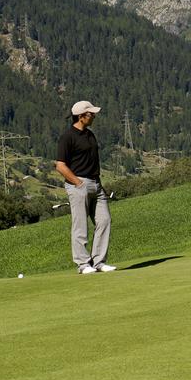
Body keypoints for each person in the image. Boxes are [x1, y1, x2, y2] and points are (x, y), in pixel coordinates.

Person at [55, 100, 115, 274]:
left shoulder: (90, 135)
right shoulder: (67, 137)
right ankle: (83, 264)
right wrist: (78, 183)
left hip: (96, 184)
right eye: (91, 114)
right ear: (81, 116)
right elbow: (60, 165)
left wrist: (96, 183)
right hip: (78, 185)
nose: (94, 116)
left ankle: (99, 262)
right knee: (80, 225)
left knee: (104, 221)